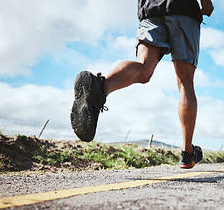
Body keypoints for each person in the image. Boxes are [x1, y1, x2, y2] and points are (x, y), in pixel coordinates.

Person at [71, 0, 214, 169]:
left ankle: (100, 88)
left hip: (150, 9)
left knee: (143, 68)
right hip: (182, 9)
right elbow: (207, 7)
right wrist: (206, 5)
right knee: (185, 82)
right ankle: (187, 152)